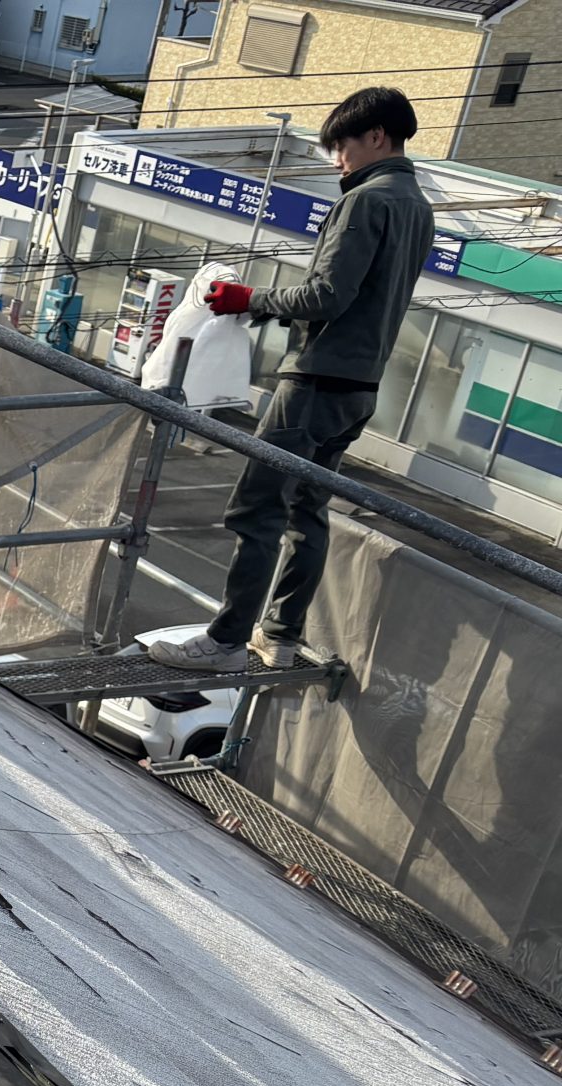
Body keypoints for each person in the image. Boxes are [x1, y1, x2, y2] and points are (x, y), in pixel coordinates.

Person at [148, 87, 435, 671]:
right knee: (308, 512)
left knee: (255, 509)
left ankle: (226, 640)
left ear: (376, 136)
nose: (337, 161)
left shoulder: (366, 202)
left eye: (342, 147)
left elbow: (326, 296)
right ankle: (278, 634)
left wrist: (248, 299)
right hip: (360, 388)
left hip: (314, 383)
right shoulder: (417, 204)